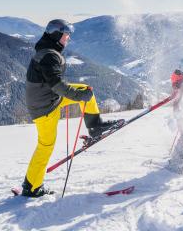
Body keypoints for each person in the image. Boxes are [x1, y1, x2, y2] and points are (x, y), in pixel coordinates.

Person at [20, 19, 122, 197]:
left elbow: (56, 86)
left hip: (49, 99)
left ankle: (95, 126)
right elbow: (57, 84)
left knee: (86, 91)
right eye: (66, 35)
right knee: (45, 146)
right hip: (45, 108)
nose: (68, 38)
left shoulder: (48, 51)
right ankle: (32, 187)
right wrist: (77, 96)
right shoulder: (49, 55)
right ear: (56, 35)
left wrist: (80, 95)